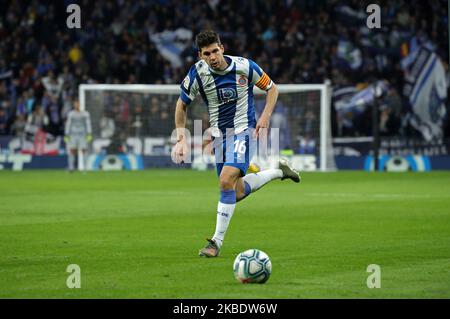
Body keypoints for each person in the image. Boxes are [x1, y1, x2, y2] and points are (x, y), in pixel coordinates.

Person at [172, 30, 301, 258]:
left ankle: (215, 243)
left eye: (214, 51)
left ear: (222, 47)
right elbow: (181, 104)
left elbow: (272, 88)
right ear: (200, 55)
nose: (212, 57)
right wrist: (181, 137)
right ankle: (279, 172)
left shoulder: (245, 67)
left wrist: (265, 116)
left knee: (225, 180)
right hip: (219, 136)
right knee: (236, 191)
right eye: (206, 54)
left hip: (244, 131)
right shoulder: (197, 74)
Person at [64, 98, 92, 172]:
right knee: (72, 150)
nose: (77, 105)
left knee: (84, 150)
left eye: (78, 103)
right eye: (75, 103)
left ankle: (85, 168)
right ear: (74, 105)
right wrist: (66, 134)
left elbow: (88, 124)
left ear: (80, 104)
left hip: (82, 135)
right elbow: (68, 124)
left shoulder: (85, 113)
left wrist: (89, 133)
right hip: (73, 134)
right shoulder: (71, 114)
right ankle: (71, 168)